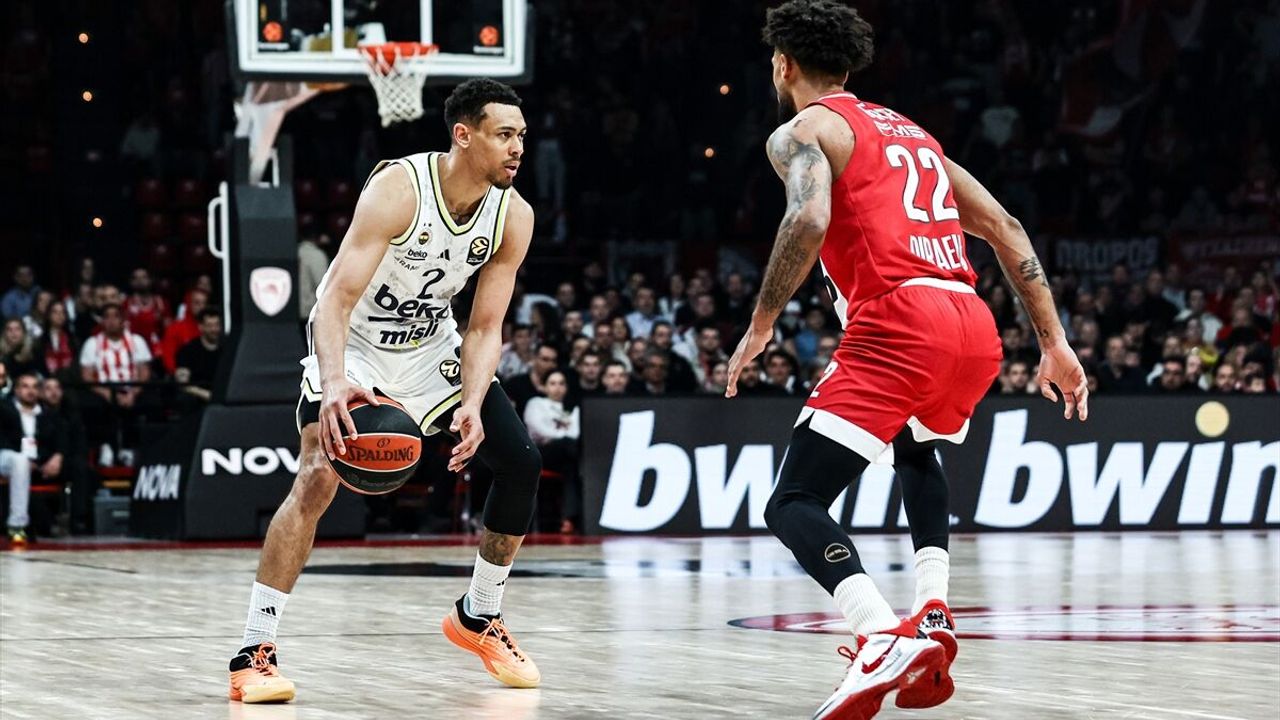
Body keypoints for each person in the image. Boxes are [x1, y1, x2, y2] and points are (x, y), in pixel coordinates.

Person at [725, 3, 1088, 717]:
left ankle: (876, 636)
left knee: (793, 502)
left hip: (900, 320)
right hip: (971, 323)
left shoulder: (802, 131)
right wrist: (1054, 341)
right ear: (848, 66)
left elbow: (808, 217)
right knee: (916, 449)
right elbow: (1006, 227)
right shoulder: (913, 135)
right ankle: (932, 610)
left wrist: (761, 323)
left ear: (783, 65)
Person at [228, 79, 541, 702]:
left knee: (521, 462)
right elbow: (334, 300)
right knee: (317, 476)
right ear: (464, 135)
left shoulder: (514, 216)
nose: (517, 148)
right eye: (504, 135)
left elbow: (485, 327)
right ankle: (253, 652)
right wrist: (336, 381)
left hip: (429, 347)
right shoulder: (400, 189)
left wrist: (473, 403)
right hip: (356, 343)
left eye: (522, 136)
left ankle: (479, 613)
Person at [0, 373, 67, 546]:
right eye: (25, 386)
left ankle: (18, 526)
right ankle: (18, 525)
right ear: (16, 390)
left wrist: (57, 456)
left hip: (38, 463)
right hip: (5, 456)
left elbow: (60, 440)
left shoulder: (48, 413)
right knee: (20, 461)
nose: (30, 391)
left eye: (34, 387)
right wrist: (25, 458)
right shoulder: (4, 408)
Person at [521, 369, 581, 533]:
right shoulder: (536, 403)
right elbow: (537, 428)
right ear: (544, 387)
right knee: (572, 450)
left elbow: (576, 432)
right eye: (553, 383)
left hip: (565, 455)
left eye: (561, 384)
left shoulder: (573, 408)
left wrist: (558, 437)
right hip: (541, 452)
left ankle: (568, 518)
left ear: (566, 387)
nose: (557, 388)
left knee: (572, 468)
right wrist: (561, 436)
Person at [174, 310, 224, 406]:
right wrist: (208, 395)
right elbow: (183, 384)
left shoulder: (228, 349)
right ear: (201, 327)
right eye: (209, 325)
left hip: (223, 397)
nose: (214, 329)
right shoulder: (187, 351)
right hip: (197, 399)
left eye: (217, 325)